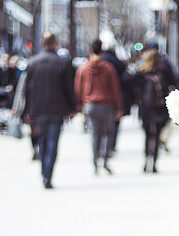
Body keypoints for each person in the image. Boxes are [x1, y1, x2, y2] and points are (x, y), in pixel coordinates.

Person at [24, 32, 77, 189]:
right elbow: (69, 88)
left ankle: (44, 173)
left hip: (39, 109)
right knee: (52, 142)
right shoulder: (62, 63)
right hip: (56, 109)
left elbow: (28, 90)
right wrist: (72, 108)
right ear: (55, 43)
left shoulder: (33, 63)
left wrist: (27, 110)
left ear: (42, 43)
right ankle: (47, 175)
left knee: (43, 141)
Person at [75, 38, 123, 175]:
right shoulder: (108, 68)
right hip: (107, 105)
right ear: (101, 51)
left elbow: (78, 89)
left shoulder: (83, 69)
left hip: (90, 105)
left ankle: (95, 163)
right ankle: (106, 161)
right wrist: (119, 108)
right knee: (108, 133)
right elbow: (115, 89)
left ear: (90, 50)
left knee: (95, 134)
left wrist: (80, 106)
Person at [136, 49, 171, 173]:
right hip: (157, 108)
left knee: (149, 136)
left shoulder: (140, 73)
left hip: (148, 109)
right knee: (155, 136)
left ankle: (148, 160)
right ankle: (152, 162)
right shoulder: (163, 72)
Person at [100, 46, 128, 156]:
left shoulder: (100, 62)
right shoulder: (119, 63)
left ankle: (100, 148)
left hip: (99, 98)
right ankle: (111, 146)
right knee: (114, 125)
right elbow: (125, 81)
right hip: (115, 97)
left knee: (99, 127)